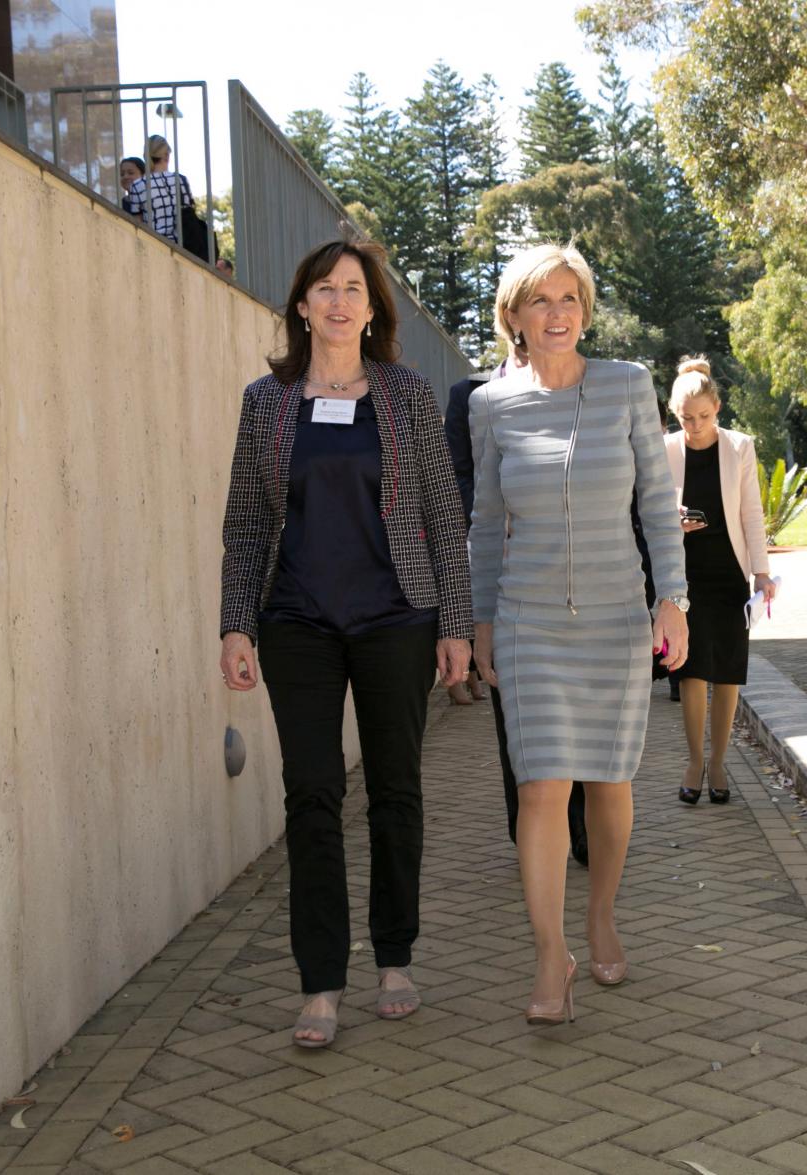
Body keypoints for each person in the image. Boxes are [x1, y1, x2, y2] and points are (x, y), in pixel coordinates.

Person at [219, 239, 472, 1049]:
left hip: (397, 617)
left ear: (372, 308)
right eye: (323, 288)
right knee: (313, 793)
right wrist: (235, 620)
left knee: (396, 788)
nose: (337, 301)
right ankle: (320, 980)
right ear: (301, 305)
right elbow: (248, 522)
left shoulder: (405, 394)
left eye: (353, 289)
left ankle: (394, 956)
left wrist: (457, 624)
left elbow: (441, 513)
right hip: (297, 622)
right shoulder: (268, 402)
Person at [470, 243, 689, 1025]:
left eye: (569, 299)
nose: (557, 314)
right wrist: (481, 619)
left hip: (615, 617)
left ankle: (601, 913)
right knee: (540, 788)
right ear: (515, 317)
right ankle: (549, 953)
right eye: (540, 302)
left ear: (584, 309)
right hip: (528, 619)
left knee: (610, 783)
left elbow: (659, 505)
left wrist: (674, 599)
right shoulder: (490, 405)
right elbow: (486, 522)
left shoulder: (628, 387)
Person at [445, 361, 590, 867]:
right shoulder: (471, 395)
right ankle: (527, 829)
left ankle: (583, 826)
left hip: (581, 583)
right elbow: (456, 474)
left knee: (582, 715)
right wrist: (495, 512)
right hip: (507, 579)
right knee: (521, 720)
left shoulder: (588, 386)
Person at [664, 357, 776, 805]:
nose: (694, 426)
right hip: (684, 572)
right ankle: (694, 761)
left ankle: (720, 761)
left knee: (727, 672)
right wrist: (673, 522)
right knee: (690, 670)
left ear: (718, 407)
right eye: (686, 418)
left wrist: (762, 572)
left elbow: (751, 510)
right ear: (675, 415)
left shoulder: (739, 447)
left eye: (704, 416)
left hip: (729, 570)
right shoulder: (664, 448)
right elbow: (648, 510)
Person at [123, 134, 194, 244]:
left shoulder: (138, 185)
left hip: (154, 244)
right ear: (166, 155)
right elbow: (190, 214)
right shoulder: (181, 180)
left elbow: (138, 222)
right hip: (181, 245)